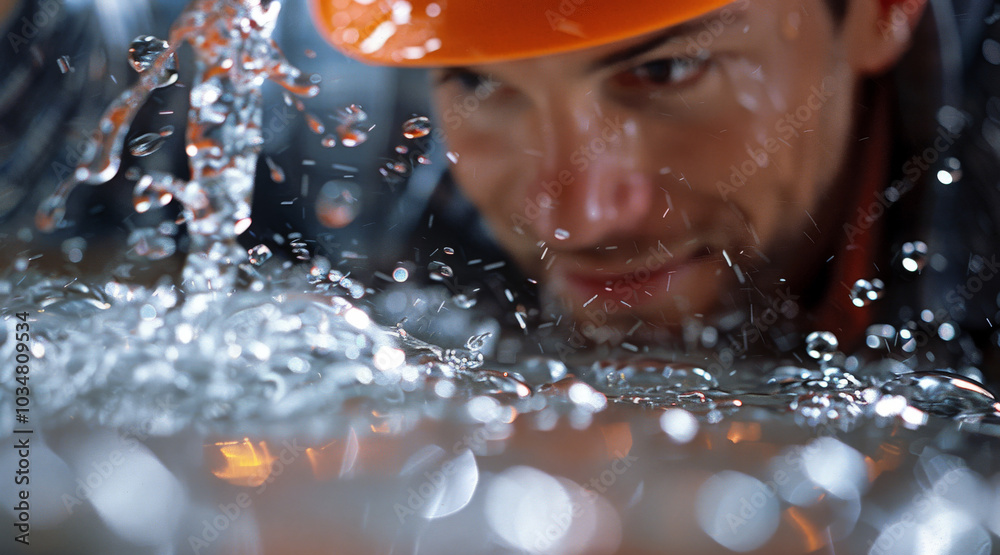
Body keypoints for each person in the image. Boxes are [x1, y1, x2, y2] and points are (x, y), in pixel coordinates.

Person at [310, 0, 1000, 379]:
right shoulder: (315, 147)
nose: (575, 222)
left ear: (882, 12)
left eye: (666, 71)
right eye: (477, 83)